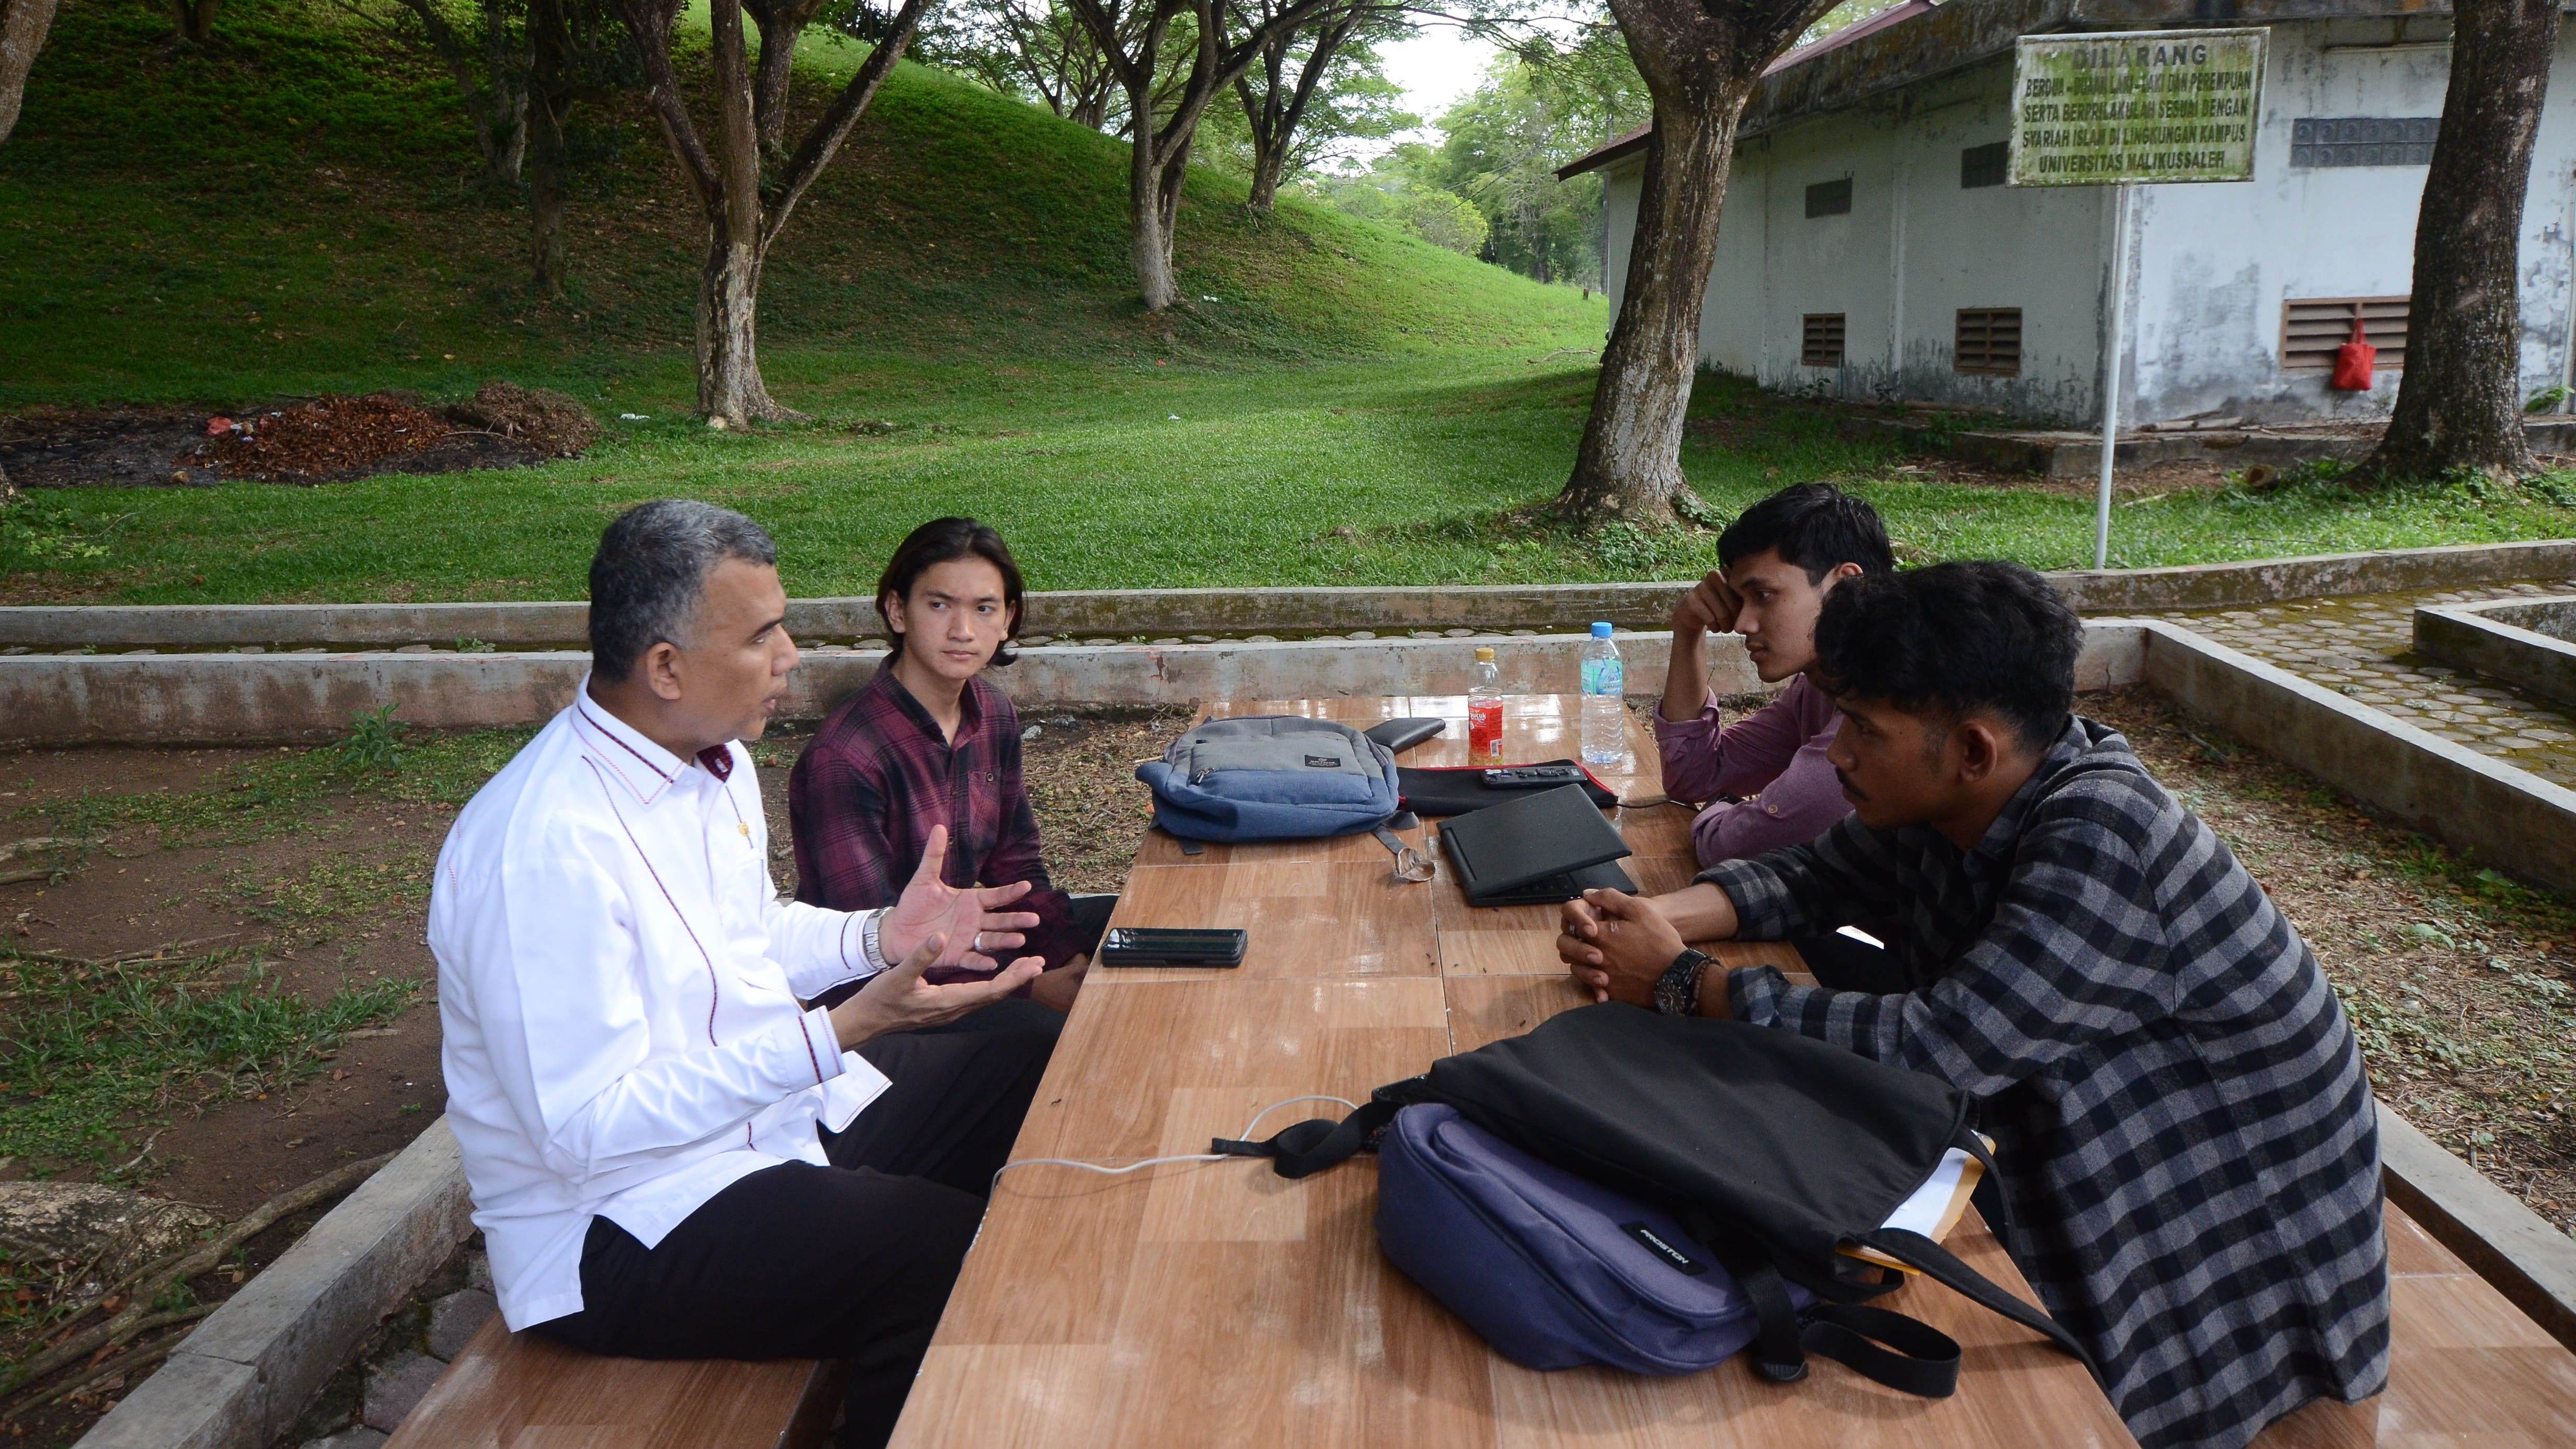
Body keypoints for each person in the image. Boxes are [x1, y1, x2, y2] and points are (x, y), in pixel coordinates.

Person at [1557, 560, 2387, 1449]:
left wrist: (1684, 983)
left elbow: (1942, 1046)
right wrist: (1644, 927)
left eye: (1863, 732)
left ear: (1972, 749)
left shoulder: (2102, 832)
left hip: (2229, 1228)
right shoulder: (1954, 799)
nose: (1836, 753)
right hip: (2095, 1136)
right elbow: (1808, 875)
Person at [430, 499, 1062, 1449]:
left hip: (759, 1127)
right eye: (762, 633)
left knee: (1034, 1073)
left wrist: (881, 936)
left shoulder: (706, 764)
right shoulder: (542, 846)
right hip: (615, 1226)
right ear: (665, 667)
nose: (791, 654)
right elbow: (583, 1133)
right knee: (940, 1251)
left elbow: (750, 932)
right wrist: (841, 1030)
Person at [789, 518, 1099, 1012]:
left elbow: (1015, 861)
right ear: (897, 610)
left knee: (1120, 935)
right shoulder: (845, 757)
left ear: (1007, 619)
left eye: (984, 609)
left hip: (963, 939)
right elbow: (877, 943)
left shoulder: (993, 714)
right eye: (939, 605)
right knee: (1050, 1042)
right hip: (878, 1007)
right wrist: (1034, 988)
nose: (962, 631)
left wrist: (1070, 958)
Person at [1658, 482, 1898, 988]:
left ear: (1845, 585)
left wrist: (1720, 809)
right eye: (1739, 599)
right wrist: (1688, 632)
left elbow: (1731, 847)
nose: (1743, 622)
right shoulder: (1817, 687)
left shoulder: (1887, 708)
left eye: (1764, 596)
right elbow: (1693, 775)